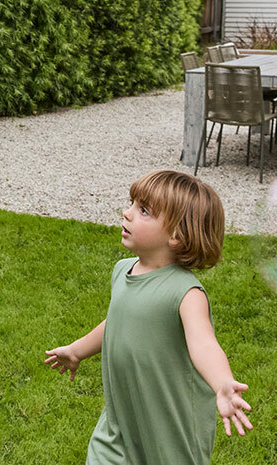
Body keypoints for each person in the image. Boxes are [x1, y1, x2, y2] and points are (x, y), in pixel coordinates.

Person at [44, 170, 252, 465]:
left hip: (169, 434)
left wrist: (222, 383)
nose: (126, 214)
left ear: (177, 235)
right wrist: (77, 350)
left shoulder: (186, 292)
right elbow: (118, 321)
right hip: (119, 427)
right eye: (132, 204)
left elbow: (204, 344)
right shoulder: (122, 270)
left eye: (143, 211)